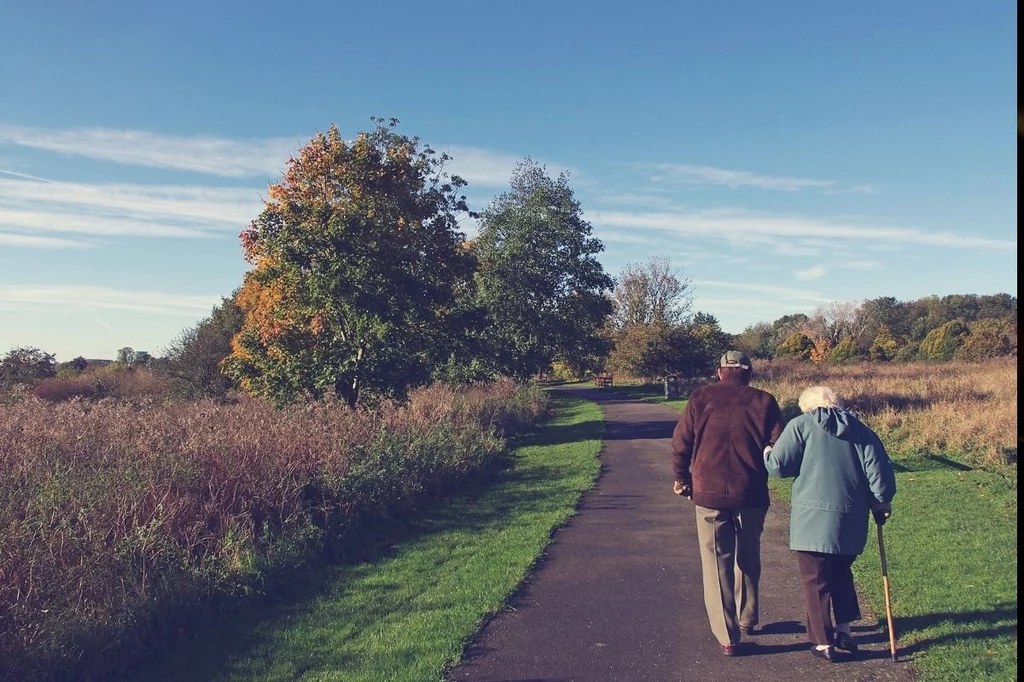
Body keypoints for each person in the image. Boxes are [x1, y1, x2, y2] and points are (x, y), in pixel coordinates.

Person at [764, 385, 896, 663]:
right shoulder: (862, 430)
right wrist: (882, 501)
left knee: (816, 580)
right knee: (841, 572)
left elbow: (779, 466)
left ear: (807, 407)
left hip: (812, 520)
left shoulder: (801, 425)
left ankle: (823, 642)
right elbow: (879, 474)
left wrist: (767, 452)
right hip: (851, 519)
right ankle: (844, 630)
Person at [671, 350, 784, 656]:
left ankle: (728, 635)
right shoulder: (765, 401)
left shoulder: (699, 398)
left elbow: (681, 443)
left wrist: (682, 479)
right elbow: (779, 445)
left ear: (720, 372)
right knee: (748, 555)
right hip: (751, 493)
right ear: (749, 372)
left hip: (708, 493)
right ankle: (747, 617)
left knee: (716, 563)